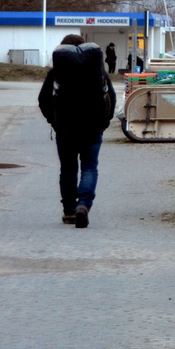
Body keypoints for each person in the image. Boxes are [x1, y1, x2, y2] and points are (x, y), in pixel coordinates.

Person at [38, 34, 116, 228]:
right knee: (89, 167)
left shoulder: (56, 72)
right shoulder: (98, 71)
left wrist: (54, 123)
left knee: (68, 169)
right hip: (93, 127)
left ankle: (69, 212)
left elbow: (43, 100)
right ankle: (83, 204)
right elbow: (111, 97)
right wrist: (105, 121)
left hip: (65, 129)